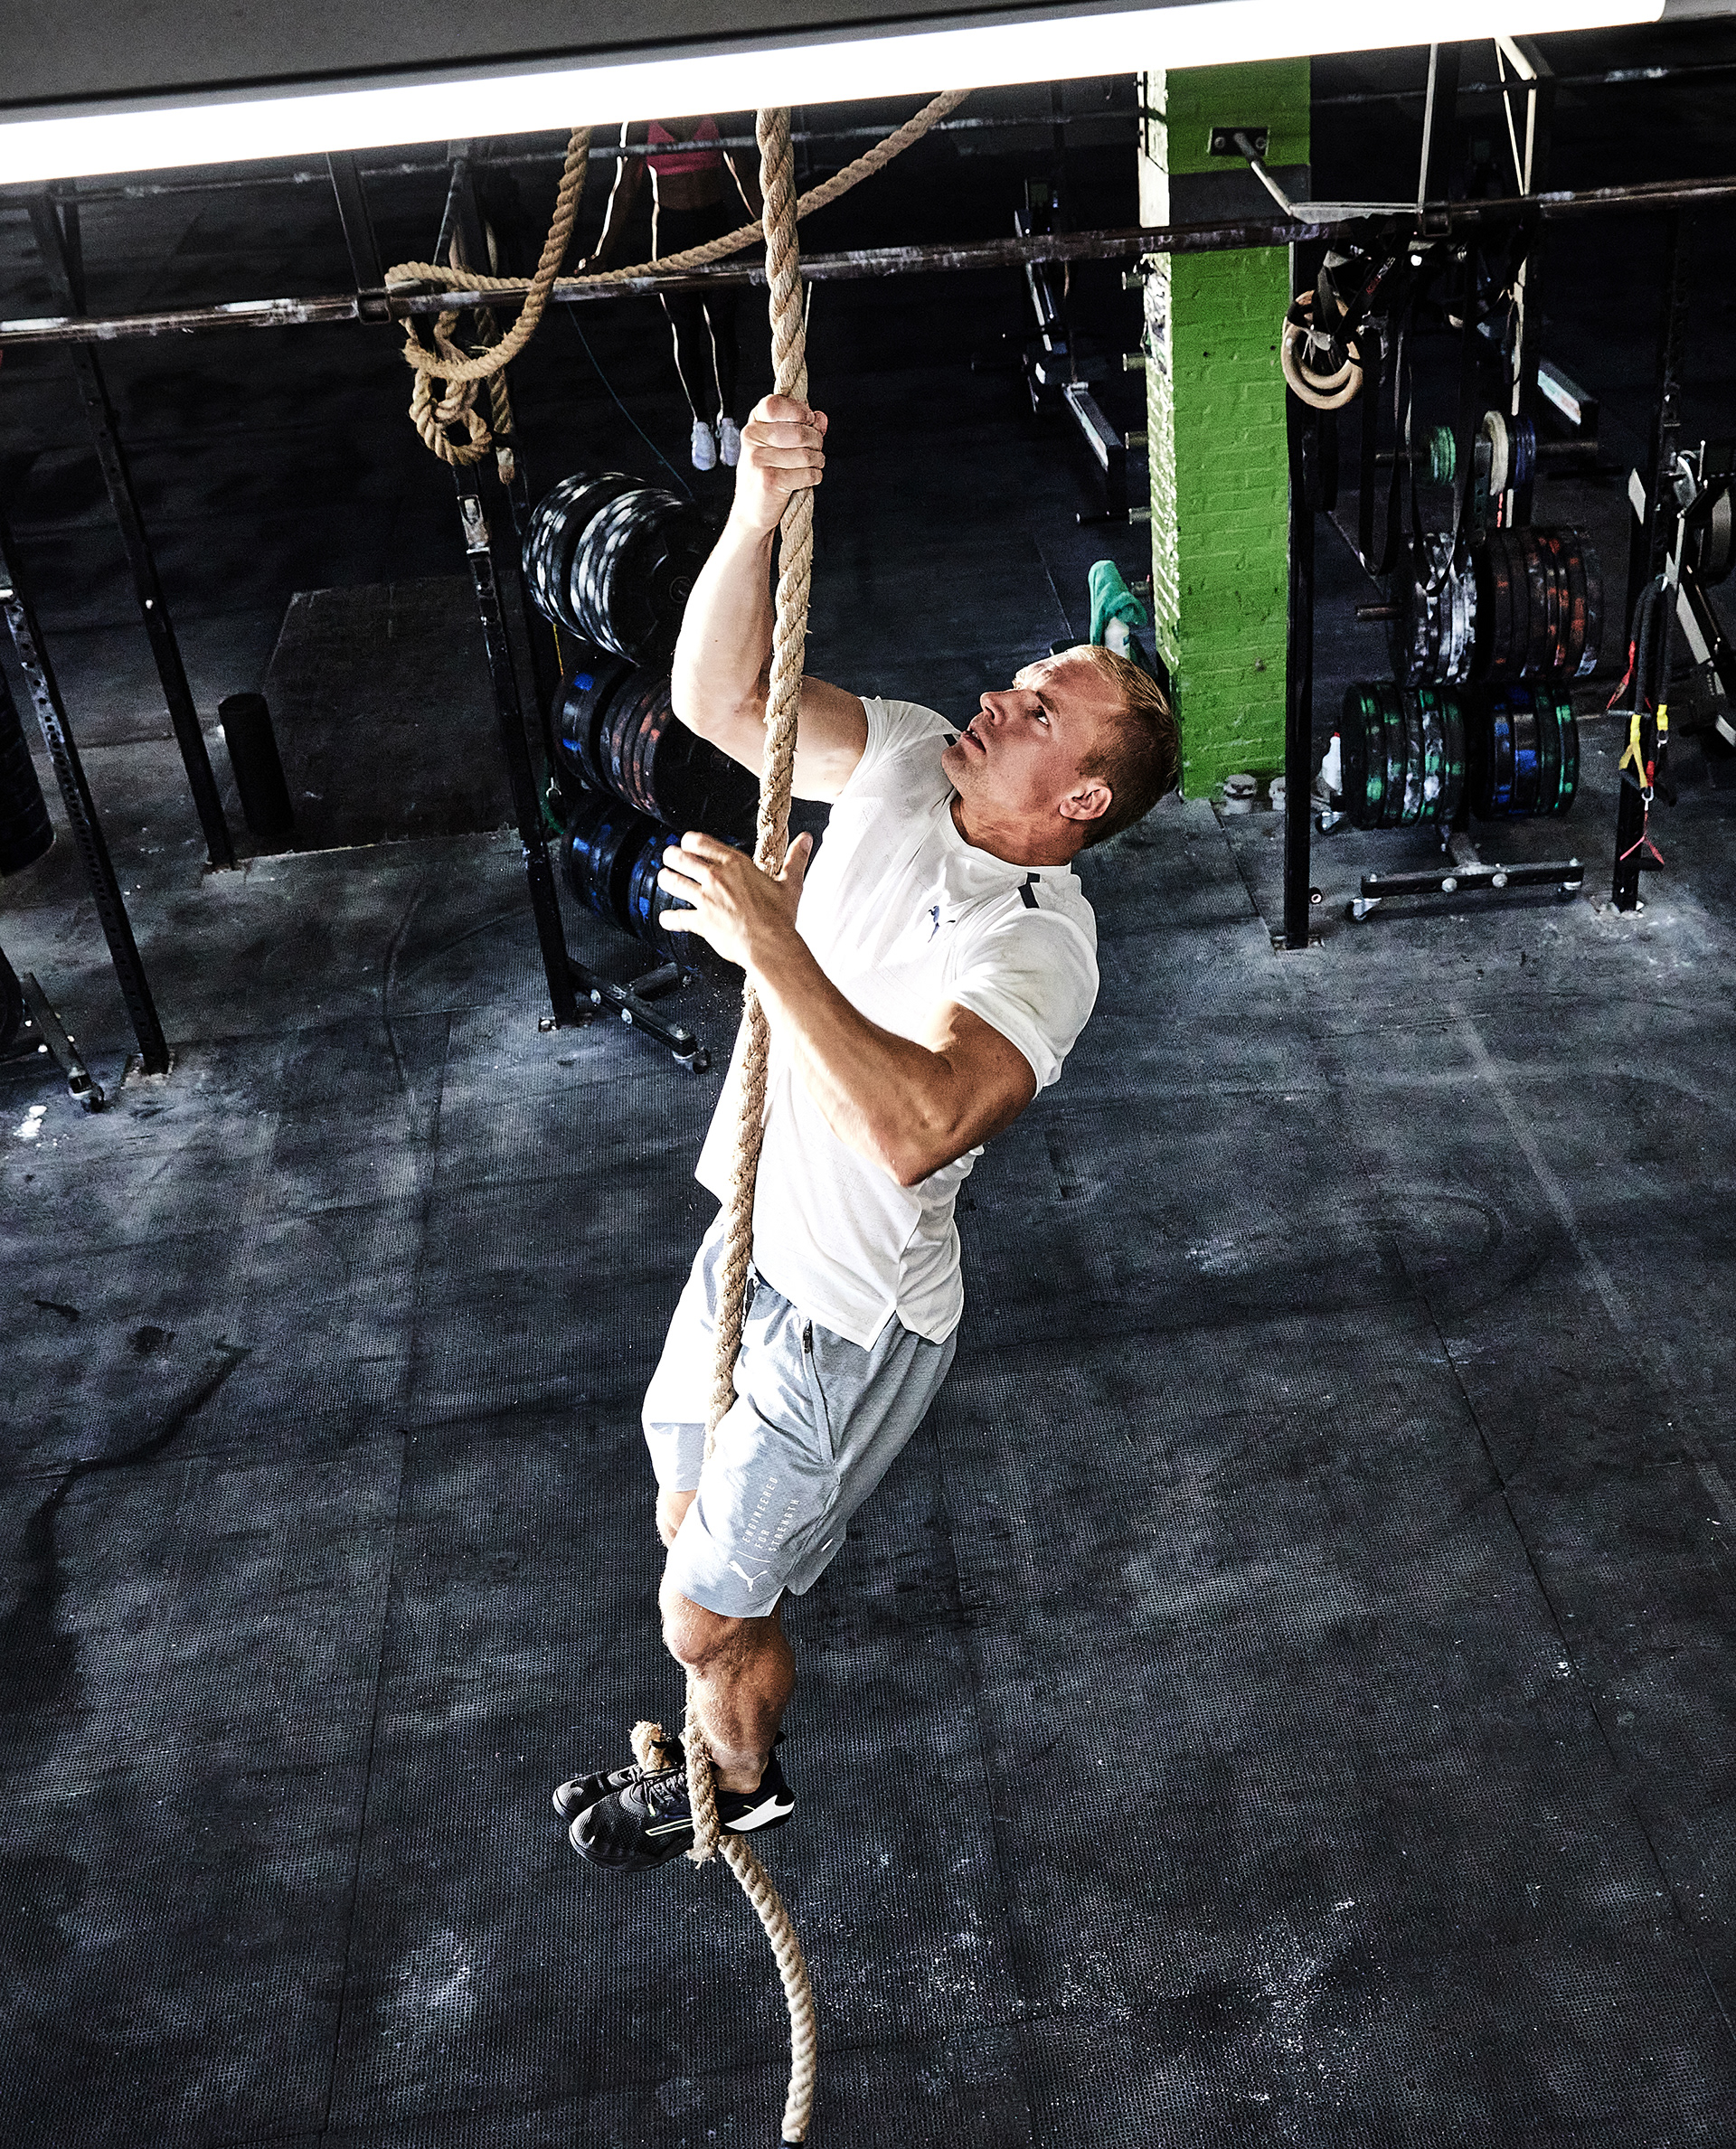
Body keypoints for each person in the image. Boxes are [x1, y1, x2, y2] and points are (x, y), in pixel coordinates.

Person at [556, 393, 1180, 1871]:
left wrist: (774, 942)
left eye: (1040, 713)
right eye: (1019, 680)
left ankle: (739, 1780)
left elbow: (922, 1125)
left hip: (848, 1312)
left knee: (701, 1613)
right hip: (750, 1230)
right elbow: (717, 700)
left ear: (1083, 798)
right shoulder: (903, 754)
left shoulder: (1041, 946)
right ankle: (721, 1735)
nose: (997, 700)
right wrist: (754, 516)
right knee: (687, 1516)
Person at [589, 116, 763, 473]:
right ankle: (700, 423)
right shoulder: (640, 122)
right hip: (672, 233)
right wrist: (601, 253)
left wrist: (772, 229)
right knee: (685, 329)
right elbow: (625, 188)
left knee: (722, 325)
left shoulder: (717, 108)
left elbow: (744, 172)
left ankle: (729, 419)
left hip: (715, 229)